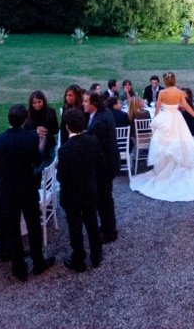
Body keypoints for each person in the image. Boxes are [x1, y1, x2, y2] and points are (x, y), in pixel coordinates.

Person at [0, 104, 55, 280]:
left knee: (12, 229)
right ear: (25, 120)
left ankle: (19, 268)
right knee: (33, 226)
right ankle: (38, 262)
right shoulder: (30, 138)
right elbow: (38, 160)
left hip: (6, 191)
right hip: (27, 189)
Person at [129, 72, 194, 202]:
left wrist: (155, 121)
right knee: (179, 143)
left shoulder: (162, 93)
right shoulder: (179, 92)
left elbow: (157, 109)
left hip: (166, 119)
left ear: (165, 81)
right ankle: (176, 167)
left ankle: (166, 170)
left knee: (165, 145)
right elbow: (186, 106)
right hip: (176, 119)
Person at [57, 108, 104, 273]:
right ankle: (96, 256)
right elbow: (99, 163)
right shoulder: (93, 141)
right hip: (90, 191)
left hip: (72, 196)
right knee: (92, 223)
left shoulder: (65, 150)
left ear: (67, 127)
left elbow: (61, 177)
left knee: (75, 227)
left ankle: (79, 259)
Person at [83, 91, 119, 243]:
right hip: (108, 164)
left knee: (103, 200)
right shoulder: (103, 114)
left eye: (86, 101)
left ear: (94, 104)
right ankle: (107, 228)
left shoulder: (99, 122)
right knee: (105, 199)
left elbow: (96, 147)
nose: (83, 103)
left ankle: (109, 231)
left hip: (103, 167)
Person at [26, 90, 59, 171]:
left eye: (39, 102)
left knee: (48, 169)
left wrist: (45, 131)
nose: (37, 105)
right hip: (33, 148)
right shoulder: (28, 114)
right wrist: (35, 132)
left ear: (43, 101)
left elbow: (56, 129)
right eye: (34, 103)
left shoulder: (50, 112)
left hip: (49, 146)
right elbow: (25, 132)